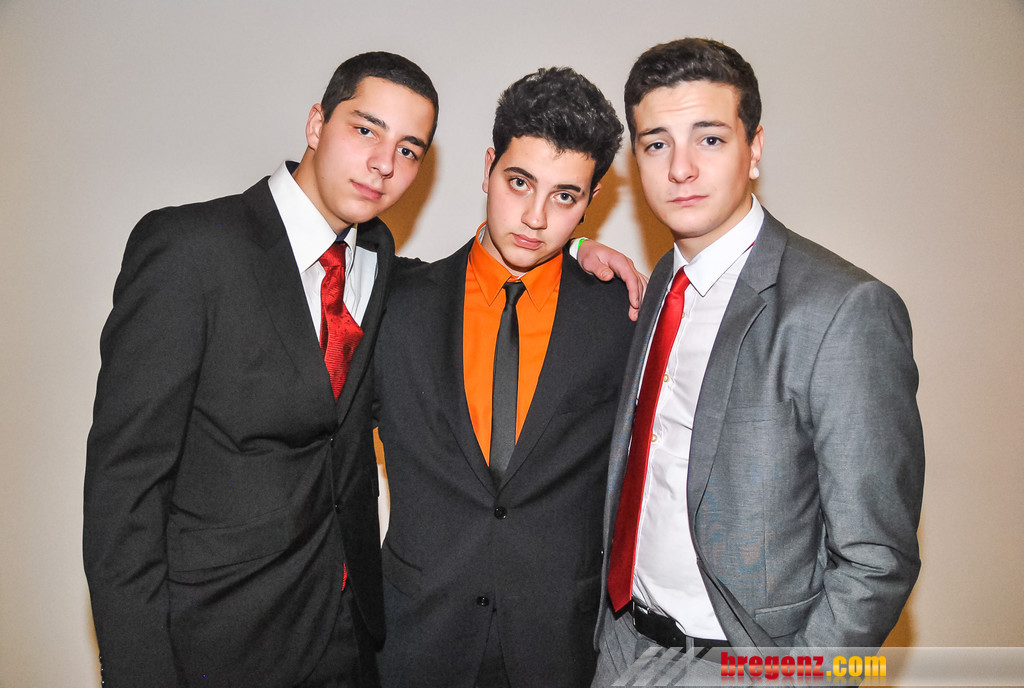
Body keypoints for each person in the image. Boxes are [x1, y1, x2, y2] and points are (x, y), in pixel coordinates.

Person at [84, 51, 643, 688]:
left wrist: (580, 249)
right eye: (365, 129)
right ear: (316, 123)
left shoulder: (378, 267)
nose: (383, 163)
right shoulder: (193, 250)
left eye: (408, 149)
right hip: (218, 636)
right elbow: (124, 488)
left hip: (350, 638)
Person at [592, 38, 925, 685]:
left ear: (755, 149)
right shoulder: (662, 281)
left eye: (709, 139)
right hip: (623, 644)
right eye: (656, 144)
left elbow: (876, 561)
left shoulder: (843, 310)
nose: (680, 168)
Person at [373, 67, 635, 688]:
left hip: (559, 646)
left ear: (591, 200)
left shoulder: (621, 316)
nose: (535, 217)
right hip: (416, 638)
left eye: (565, 197)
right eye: (520, 183)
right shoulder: (393, 303)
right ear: (489, 167)